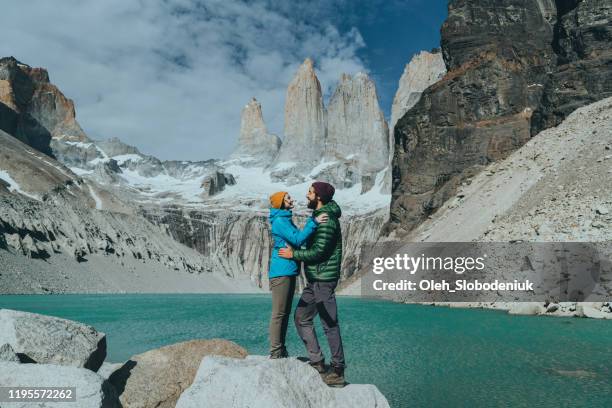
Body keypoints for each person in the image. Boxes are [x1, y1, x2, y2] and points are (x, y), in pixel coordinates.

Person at [278, 181, 346, 387]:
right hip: (315, 279)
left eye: (310, 192)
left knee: (330, 324)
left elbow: (320, 252)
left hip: (323, 280)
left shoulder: (327, 220)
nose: (307, 195)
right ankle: (317, 361)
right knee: (301, 317)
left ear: (319, 197)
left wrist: (293, 255)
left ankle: (338, 371)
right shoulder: (319, 217)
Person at [268, 191, 328, 359]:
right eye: (287, 198)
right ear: (280, 202)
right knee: (279, 313)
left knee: (284, 313)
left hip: (288, 270)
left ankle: (280, 349)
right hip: (282, 271)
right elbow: (297, 240)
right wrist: (313, 222)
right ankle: (275, 351)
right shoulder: (280, 221)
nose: (291, 199)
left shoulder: (284, 219)